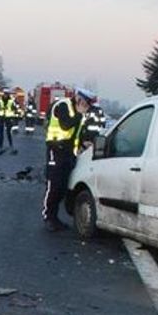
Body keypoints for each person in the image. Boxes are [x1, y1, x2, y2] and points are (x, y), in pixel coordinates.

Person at [41, 88, 94, 231]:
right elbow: (65, 125)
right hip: (56, 150)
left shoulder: (79, 113)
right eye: (86, 104)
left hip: (69, 153)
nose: (87, 107)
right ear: (79, 99)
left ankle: (55, 218)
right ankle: (48, 217)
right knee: (54, 186)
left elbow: (75, 133)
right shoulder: (63, 106)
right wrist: (79, 114)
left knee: (63, 187)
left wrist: (84, 143)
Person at [0, 88, 16, 153]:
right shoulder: (0, 100)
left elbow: (14, 109)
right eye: (5, 94)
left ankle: (10, 144)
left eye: (7, 94)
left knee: (8, 132)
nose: (6, 95)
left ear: (8, 94)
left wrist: (13, 117)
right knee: (0, 131)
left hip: (8, 118)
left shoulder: (11, 101)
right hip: (1, 117)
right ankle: (0, 143)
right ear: (3, 94)